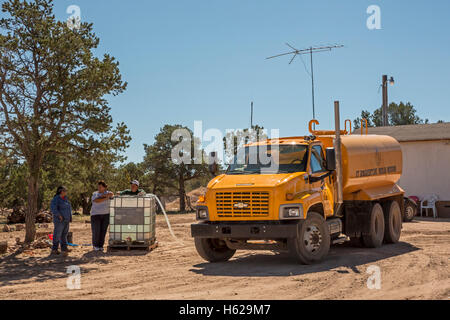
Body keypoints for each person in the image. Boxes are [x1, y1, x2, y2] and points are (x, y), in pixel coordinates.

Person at [91, 180, 114, 252]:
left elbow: (112, 194)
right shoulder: (95, 194)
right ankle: (95, 246)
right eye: (98, 187)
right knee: (96, 231)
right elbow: (96, 200)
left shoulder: (108, 193)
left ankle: (100, 246)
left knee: (103, 231)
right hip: (95, 215)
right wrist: (106, 197)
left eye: (100, 187)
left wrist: (106, 195)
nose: (99, 188)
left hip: (106, 215)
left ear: (104, 188)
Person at [50, 186, 72, 257]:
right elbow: (53, 208)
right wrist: (59, 215)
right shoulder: (56, 199)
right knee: (57, 234)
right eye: (65, 190)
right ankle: (54, 249)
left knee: (64, 234)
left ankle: (64, 248)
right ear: (61, 191)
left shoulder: (65, 199)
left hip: (66, 220)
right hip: (59, 220)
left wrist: (70, 218)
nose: (66, 192)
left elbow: (68, 208)